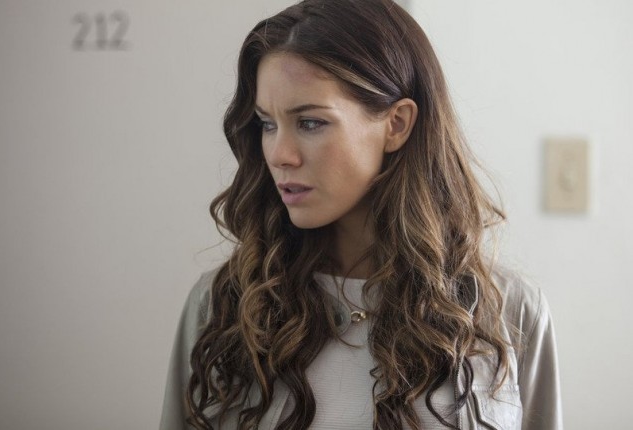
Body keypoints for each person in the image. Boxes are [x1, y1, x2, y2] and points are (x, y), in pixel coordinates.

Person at [160, 0, 562, 428]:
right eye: (267, 124)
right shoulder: (222, 306)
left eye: (310, 122)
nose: (279, 154)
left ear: (396, 124)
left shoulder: (510, 314)